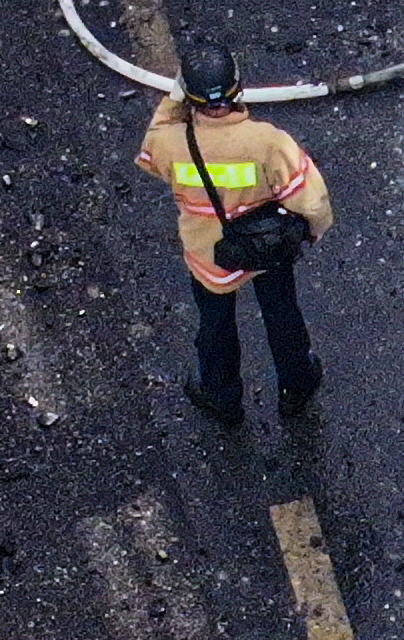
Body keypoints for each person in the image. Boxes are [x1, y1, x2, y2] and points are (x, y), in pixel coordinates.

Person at [137, 39, 332, 424]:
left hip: (209, 254)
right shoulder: (268, 142)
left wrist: (174, 100)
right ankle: (297, 385)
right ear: (237, 88)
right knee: (282, 315)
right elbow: (312, 201)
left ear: (187, 95)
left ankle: (221, 396)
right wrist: (309, 234)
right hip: (265, 248)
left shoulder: (169, 143)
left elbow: (149, 153)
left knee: (215, 325)